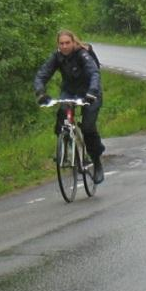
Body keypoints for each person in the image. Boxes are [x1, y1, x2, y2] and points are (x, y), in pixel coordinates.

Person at [34, 29, 105, 184]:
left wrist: (92, 92)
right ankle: (64, 145)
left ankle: (97, 163)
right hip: (70, 91)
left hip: (90, 92)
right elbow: (42, 74)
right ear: (58, 45)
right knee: (61, 115)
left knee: (87, 127)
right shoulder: (57, 57)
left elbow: (94, 73)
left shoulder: (82, 54)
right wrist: (40, 92)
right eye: (61, 44)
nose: (64, 46)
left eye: (67, 43)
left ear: (73, 43)